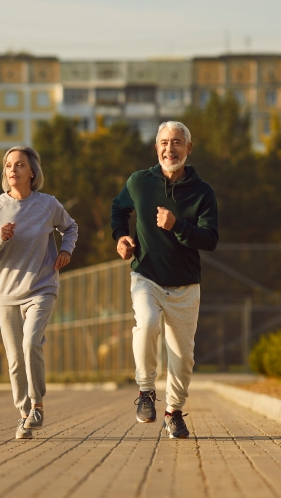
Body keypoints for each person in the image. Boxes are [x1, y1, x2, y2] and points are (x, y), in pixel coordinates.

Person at [110, 121, 219, 439]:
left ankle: (174, 412)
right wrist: (121, 238)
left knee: (183, 357)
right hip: (146, 275)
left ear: (188, 148)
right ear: (156, 147)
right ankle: (145, 391)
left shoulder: (202, 192)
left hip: (185, 283)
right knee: (146, 323)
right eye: (164, 143)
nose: (169, 149)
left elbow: (210, 239)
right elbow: (119, 209)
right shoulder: (139, 182)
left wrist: (177, 226)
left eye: (176, 142)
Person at [0, 146, 78, 439]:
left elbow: (70, 227)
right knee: (15, 358)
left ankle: (37, 405)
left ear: (32, 172)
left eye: (19, 165)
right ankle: (23, 414)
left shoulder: (47, 204)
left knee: (32, 343)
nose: (13, 170)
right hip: (5, 294)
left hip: (41, 287)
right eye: (8, 165)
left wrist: (66, 250)